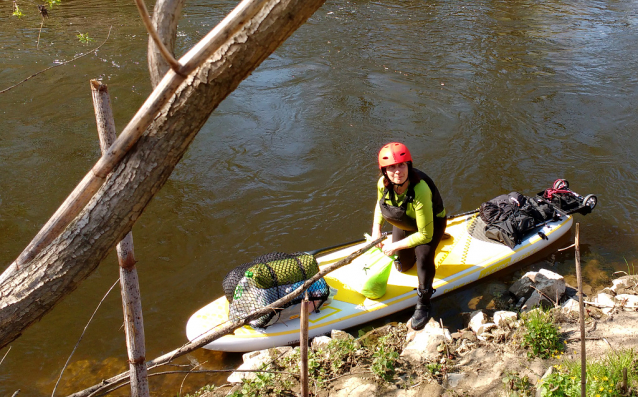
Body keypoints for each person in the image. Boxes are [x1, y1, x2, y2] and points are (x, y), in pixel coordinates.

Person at [371, 142, 447, 330]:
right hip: (406, 222)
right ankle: (415, 245)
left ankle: (424, 302)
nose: (398, 171)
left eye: (402, 165)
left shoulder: (420, 188)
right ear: (384, 171)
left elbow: (424, 234)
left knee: (423, 256)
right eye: (392, 167)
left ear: (409, 165)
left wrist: (394, 246)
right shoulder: (383, 184)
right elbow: (381, 205)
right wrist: (376, 229)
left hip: (431, 225)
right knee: (403, 267)